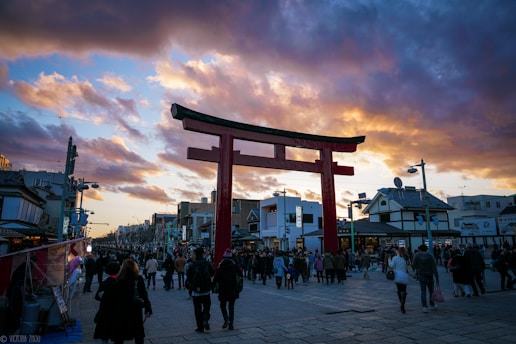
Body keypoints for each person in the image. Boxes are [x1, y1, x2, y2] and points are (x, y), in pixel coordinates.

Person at [111, 258, 152, 344]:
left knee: (120, 335)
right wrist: (148, 307)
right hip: (135, 309)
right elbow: (144, 294)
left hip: (121, 310)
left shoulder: (118, 279)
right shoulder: (138, 279)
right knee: (138, 335)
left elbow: (113, 296)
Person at [212, 249, 242, 330]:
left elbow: (216, 279)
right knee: (231, 307)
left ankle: (226, 319)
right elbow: (241, 274)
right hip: (233, 289)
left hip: (223, 289)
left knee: (222, 305)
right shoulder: (234, 266)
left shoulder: (220, 266)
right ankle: (231, 325)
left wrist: (212, 286)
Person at [187, 247, 214, 333]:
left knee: (197, 309)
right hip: (206, 289)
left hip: (196, 290)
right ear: (203, 254)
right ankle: (205, 318)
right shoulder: (207, 263)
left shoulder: (192, 264)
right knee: (207, 307)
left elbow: (189, 277)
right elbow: (212, 273)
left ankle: (200, 326)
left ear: (195, 254)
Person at [93, 261, 120, 344]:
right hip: (117, 313)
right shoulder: (120, 283)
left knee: (104, 335)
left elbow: (97, 296)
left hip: (105, 312)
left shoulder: (105, 283)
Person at [412, 244, 439, 313]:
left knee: (423, 291)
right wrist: (436, 277)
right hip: (430, 275)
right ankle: (432, 305)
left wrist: (416, 269)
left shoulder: (417, 256)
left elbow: (413, 265)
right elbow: (434, 267)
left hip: (421, 275)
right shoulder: (430, 256)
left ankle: (424, 307)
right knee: (431, 291)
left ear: (420, 249)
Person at [388, 247, 413, 313]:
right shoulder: (407, 258)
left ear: (398, 252)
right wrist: (412, 274)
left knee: (399, 290)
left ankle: (401, 303)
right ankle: (403, 303)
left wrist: (389, 259)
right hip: (404, 275)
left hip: (397, 275)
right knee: (404, 290)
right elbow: (409, 267)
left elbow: (391, 266)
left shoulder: (395, 258)